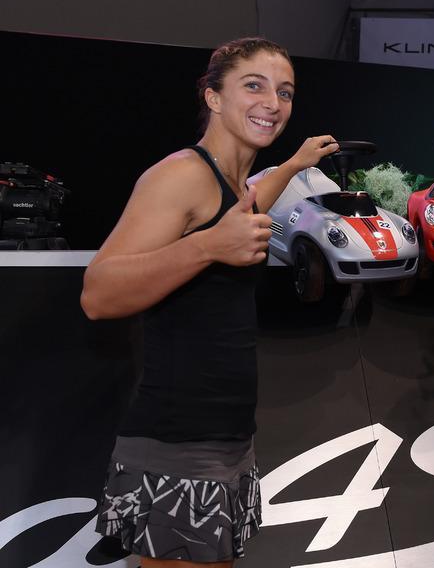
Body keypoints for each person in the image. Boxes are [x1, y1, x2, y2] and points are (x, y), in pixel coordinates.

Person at [80, 37, 339, 567]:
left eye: (285, 92)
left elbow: (244, 208)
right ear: (213, 96)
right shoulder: (181, 174)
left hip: (227, 439)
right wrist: (206, 247)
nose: (273, 103)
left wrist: (294, 164)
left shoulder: (234, 184)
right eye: (254, 86)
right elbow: (98, 294)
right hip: (177, 443)